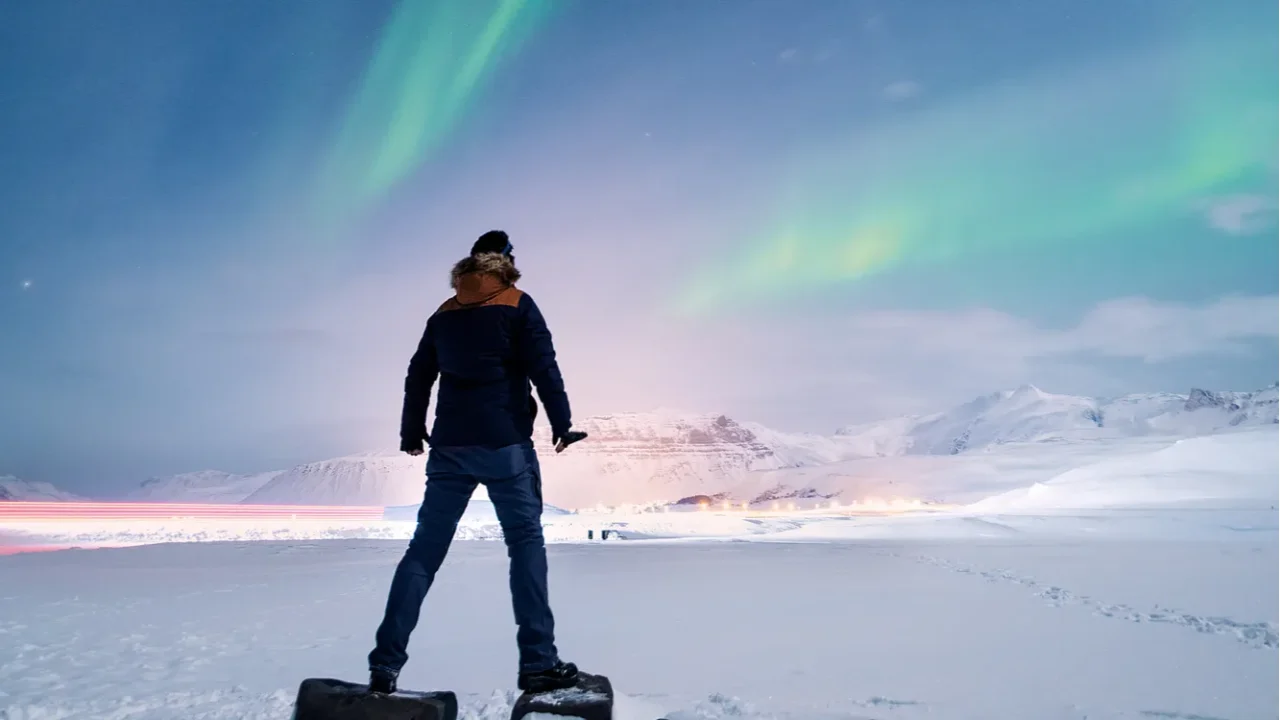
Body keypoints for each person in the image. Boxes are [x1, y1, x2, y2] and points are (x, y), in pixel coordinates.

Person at [367, 230, 588, 695]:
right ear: (505, 261)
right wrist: (561, 422)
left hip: (449, 448)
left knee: (424, 552)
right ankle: (538, 664)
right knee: (525, 544)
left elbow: (418, 376)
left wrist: (411, 432)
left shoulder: (443, 314)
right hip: (505, 445)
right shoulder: (517, 303)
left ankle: (384, 667)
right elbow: (543, 367)